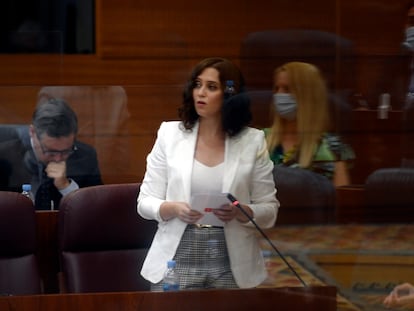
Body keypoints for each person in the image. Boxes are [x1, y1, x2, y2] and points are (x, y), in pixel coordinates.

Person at [137, 57, 279, 290]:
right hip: (178, 256)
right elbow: (144, 203)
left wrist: (243, 212)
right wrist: (173, 208)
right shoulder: (169, 135)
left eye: (211, 87)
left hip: (232, 259)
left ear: (230, 94)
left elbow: (270, 210)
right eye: (197, 84)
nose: (200, 93)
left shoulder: (253, 141)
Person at [0, 98, 102, 209]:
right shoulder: (5, 156)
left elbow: (96, 209)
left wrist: (65, 187)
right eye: (50, 151)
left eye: (65, 151)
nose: (58, 159)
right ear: (32, 132)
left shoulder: (86, 156)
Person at [264, 61, 355, 187]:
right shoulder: (256, 140)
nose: (279, 95)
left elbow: (340, 200)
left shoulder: (332, 147)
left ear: (308, 96)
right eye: (276, 88)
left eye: (287, 89)